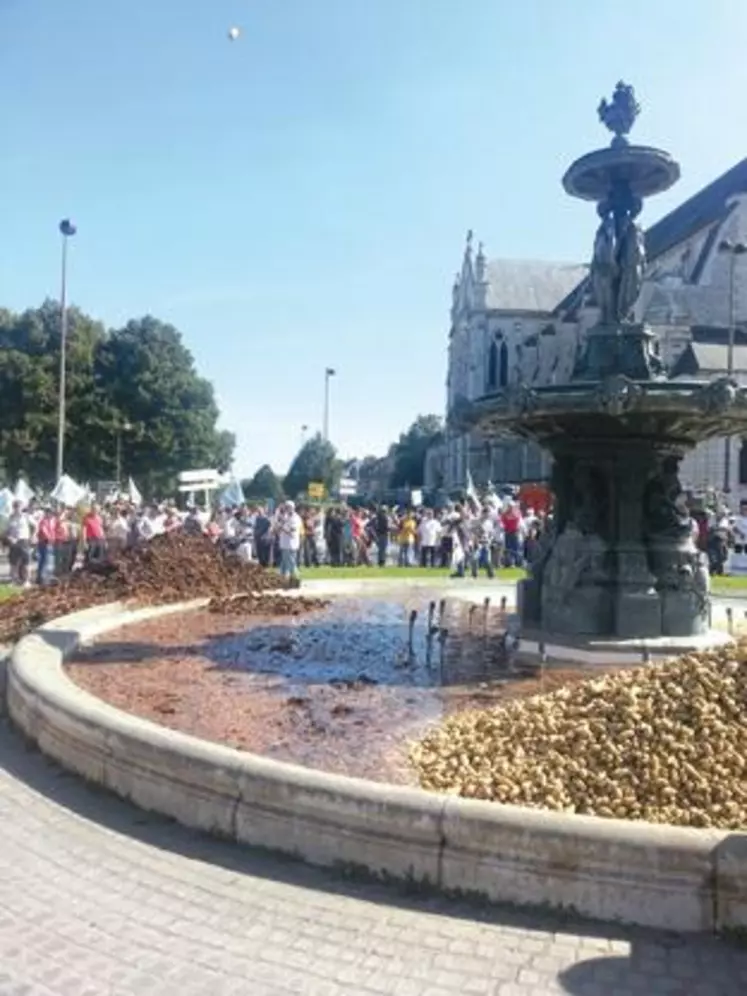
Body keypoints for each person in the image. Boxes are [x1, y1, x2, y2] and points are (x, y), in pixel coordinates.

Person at [4, 500, 33, 586]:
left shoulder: (26, 517)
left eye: (18, 506)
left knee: (26, 563)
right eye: (15, 506)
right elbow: (6, 531)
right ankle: (13, 580)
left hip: (23, 541)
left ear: (22, 507)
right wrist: (9, 537)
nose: (17, 508)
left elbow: (35, 526)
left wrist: (33, 536)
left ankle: (27, 581)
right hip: (13, 542)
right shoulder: (10, 518)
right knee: (13, 563)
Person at [277, 500, 302, 579]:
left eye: (288, 507)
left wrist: (282, 527)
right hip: (284, 543)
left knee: (291, 561)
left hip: (291, 544)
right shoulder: (286, 517)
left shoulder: (296, 518)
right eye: (286, 507)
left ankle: (295, 577)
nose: (286, 509)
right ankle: (282, 576)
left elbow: (291, 531)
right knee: (284, 562)